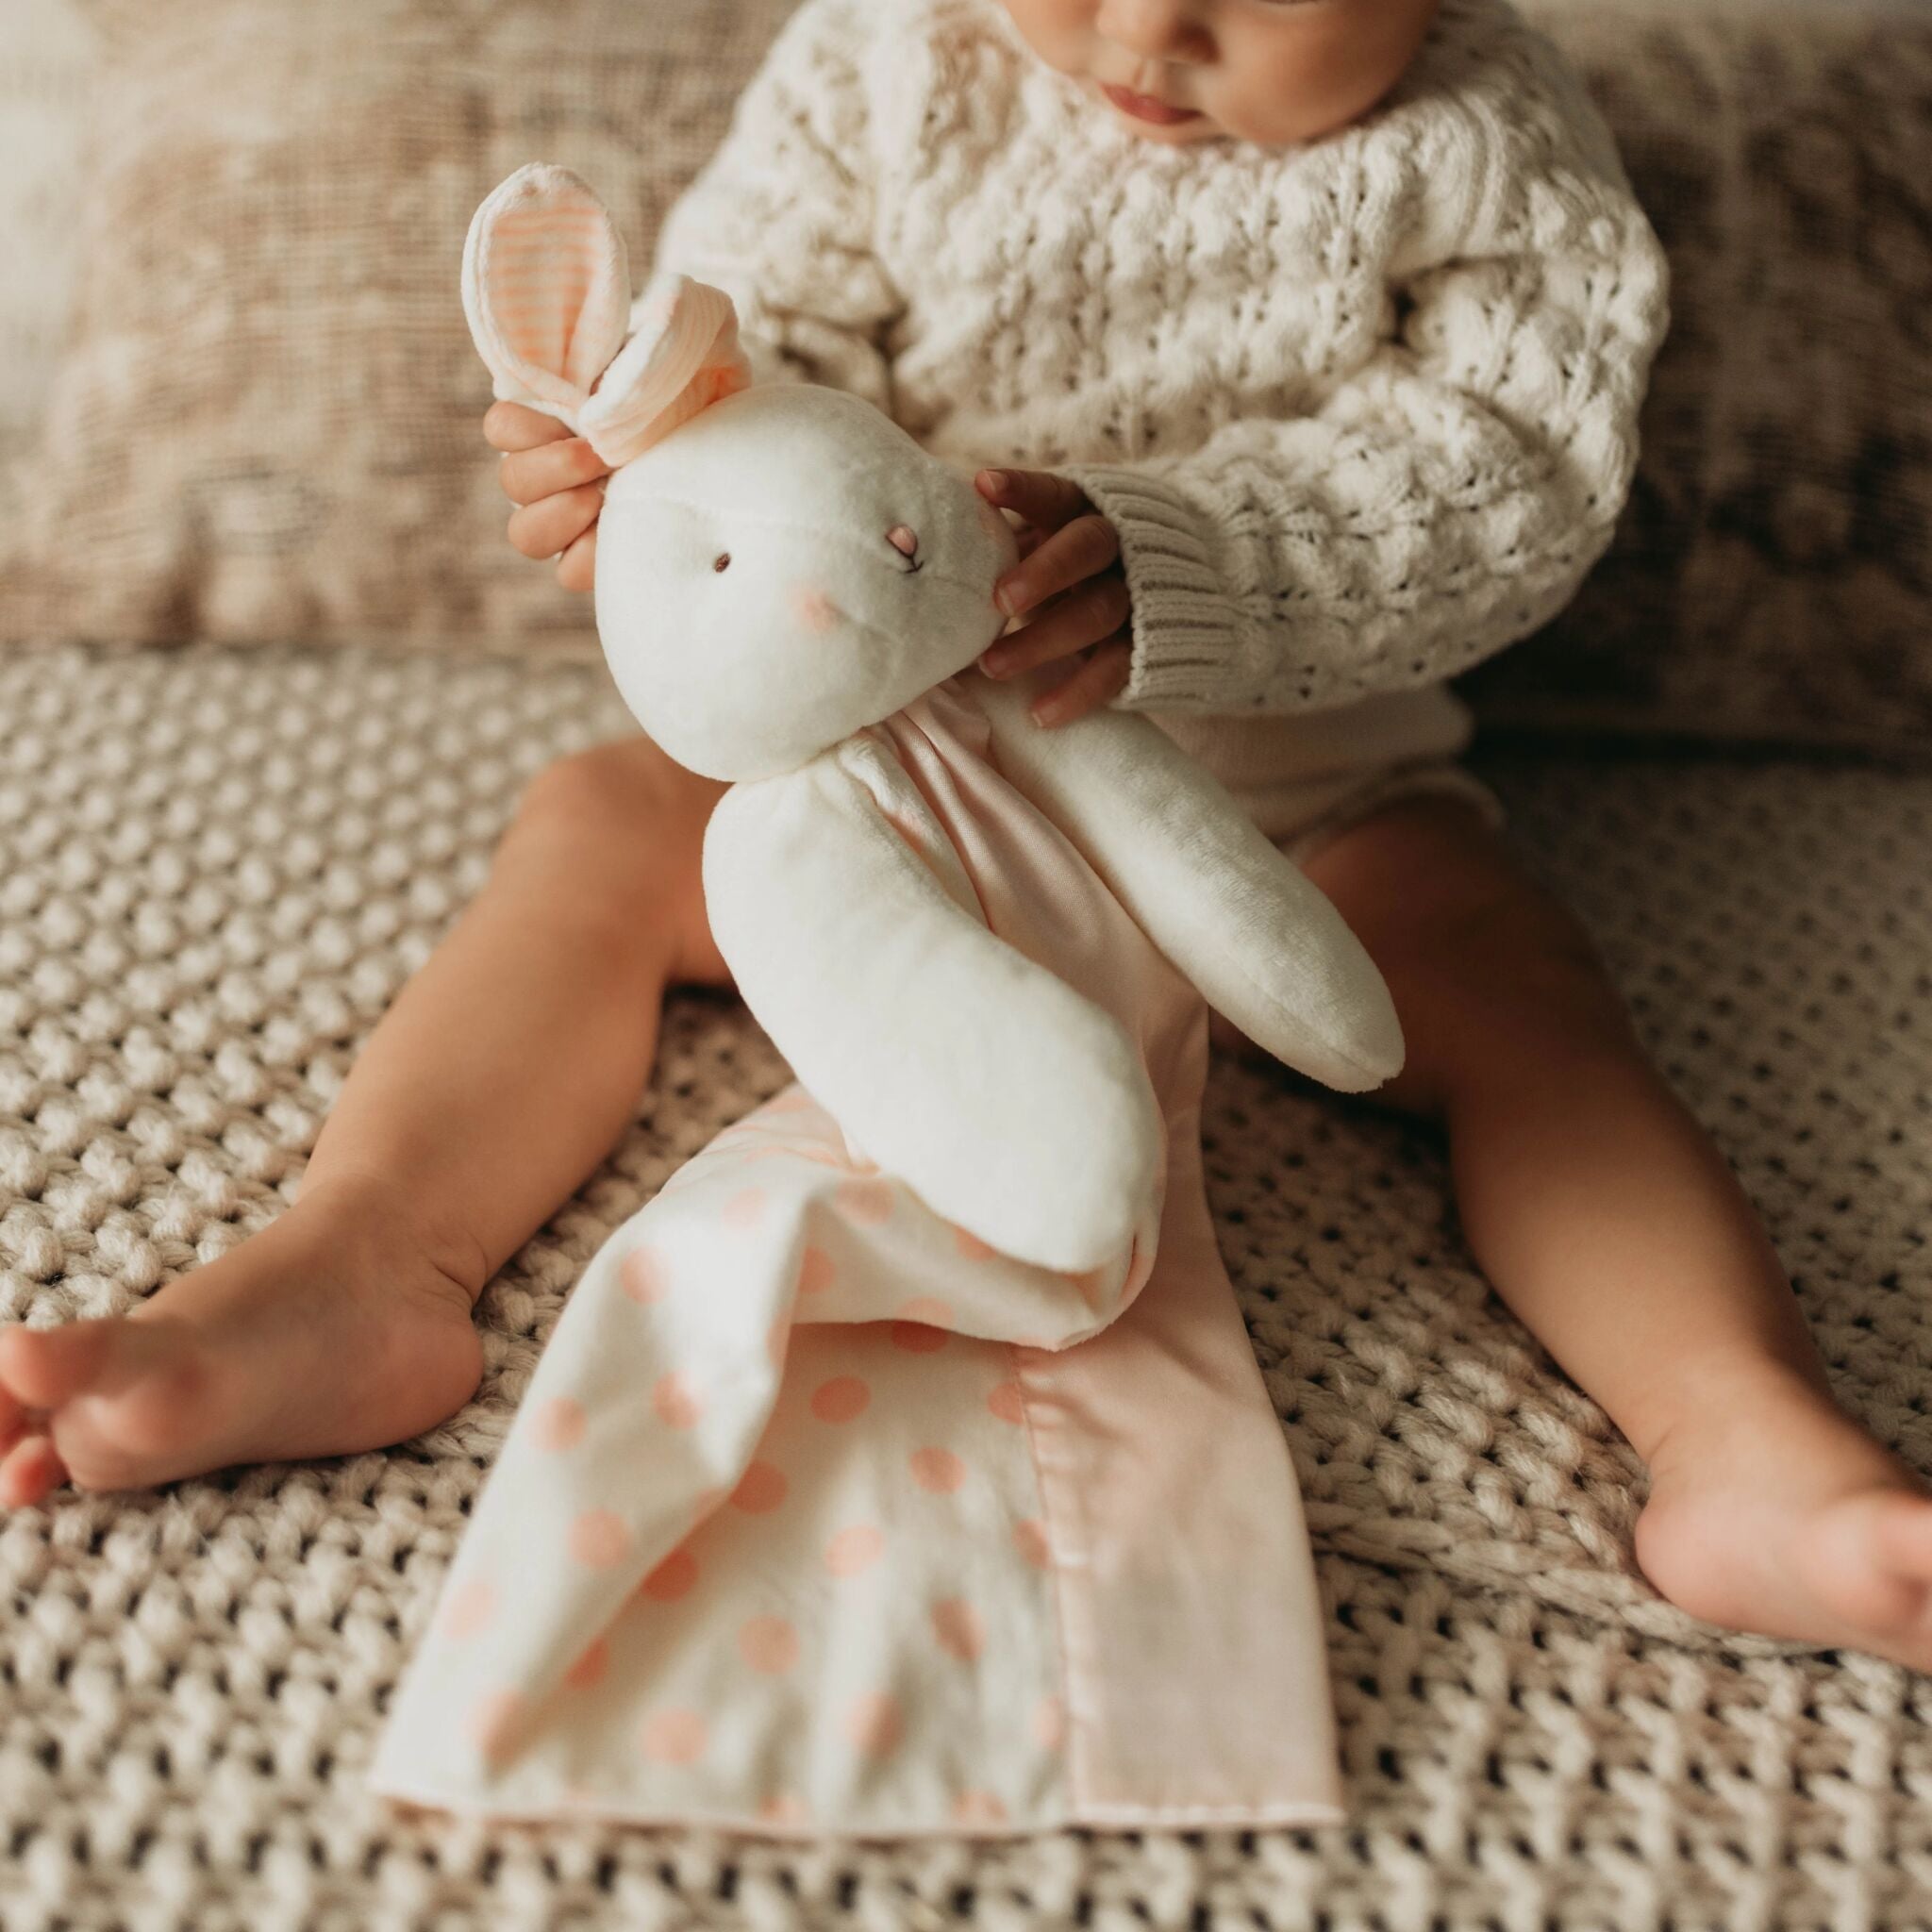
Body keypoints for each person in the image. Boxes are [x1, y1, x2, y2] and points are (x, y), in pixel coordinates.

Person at [8, 0, 1931, 1672]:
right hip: (871, 766)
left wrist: (1198, 556)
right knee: (592, 828)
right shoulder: (885, 60)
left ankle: (1736, 1437)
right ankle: (359, 1269)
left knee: (1524, 1000)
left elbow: (1510, 467)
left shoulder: (1491, 145)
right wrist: (649, 457)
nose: (1148, 30)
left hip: (1291, 790)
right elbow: (748, 344)